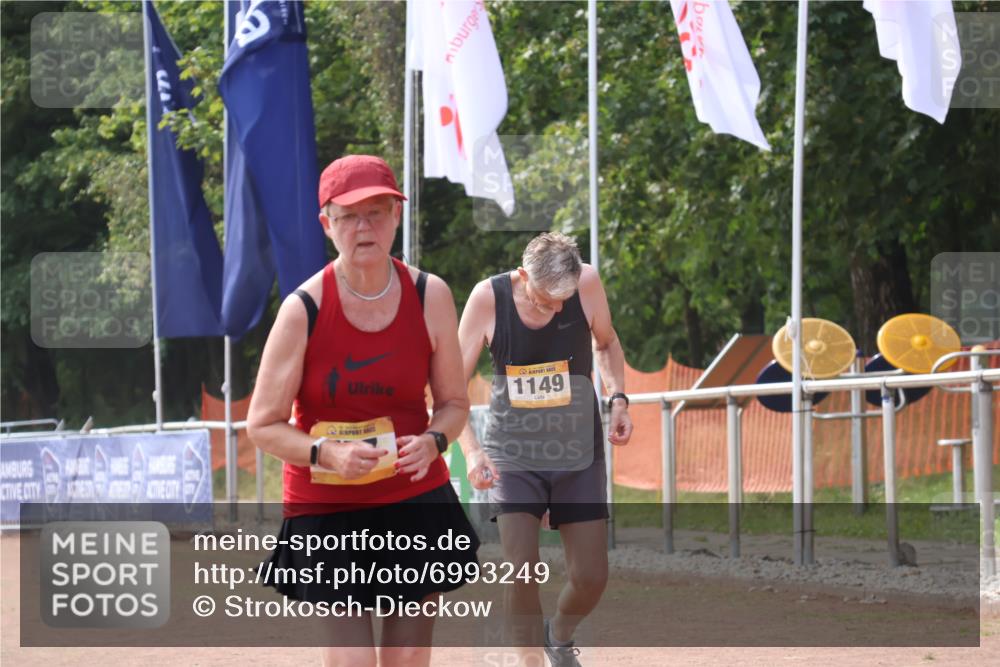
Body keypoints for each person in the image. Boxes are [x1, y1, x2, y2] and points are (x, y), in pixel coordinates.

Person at [247, 155, 478, 667]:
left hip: (412, 496)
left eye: (377, 211)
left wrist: (435, 440)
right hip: (329, 506)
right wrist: (323, 452)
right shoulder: (302, 308)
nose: (365, 226)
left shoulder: (429, 295)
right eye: (349, 215)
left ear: (397, 218)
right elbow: (262, 424)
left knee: (409, 657)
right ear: (326, 224)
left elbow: (454, 404)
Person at [457, 232, 633, 667]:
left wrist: (618, 398)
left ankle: (558, 634)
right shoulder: (487, 299)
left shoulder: (587, 284)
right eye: (543, 301)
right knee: (522, 568)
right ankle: (529, 661)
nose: (555, 309)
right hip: (514, 454)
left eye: (563, 301)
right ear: (522, 277)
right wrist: (472, 452)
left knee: (591, 576)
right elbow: (449, 387)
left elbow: (606, 342)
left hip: (578, 450)